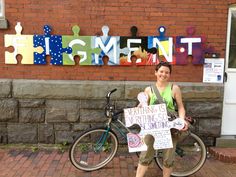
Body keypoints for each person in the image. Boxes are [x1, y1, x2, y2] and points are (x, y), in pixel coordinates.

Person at [136, 61, 189, 177]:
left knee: (168, 157)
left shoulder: (174, 88)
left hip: (169, 126)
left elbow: (180, 107)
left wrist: (181, 120)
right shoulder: (148, 90)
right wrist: (139, 107)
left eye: (167, 72)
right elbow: (144, 106)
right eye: (161, 71)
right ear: (156, 72)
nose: (163, 74)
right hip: (152, 126)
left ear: (169, 74)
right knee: (145, 154)